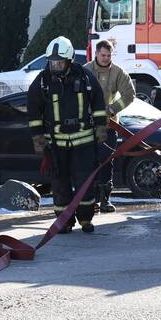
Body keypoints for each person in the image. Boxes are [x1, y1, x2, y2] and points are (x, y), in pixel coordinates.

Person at [28, 36, 107, 233]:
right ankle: (64, 221)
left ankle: (86, 219)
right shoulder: (43, 82)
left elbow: (98, 104)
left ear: (69, 60)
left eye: (59, 62)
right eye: (52, 62)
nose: (55, 65)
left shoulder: (85, 77)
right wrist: (38, 139)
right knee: (60, 185)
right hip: (56, 146)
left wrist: (100, 128)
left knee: (84, 184)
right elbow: (33, 111)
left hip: (84, 144)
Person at [84, 40, 136, 213]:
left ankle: (105, 200)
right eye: (103, 55)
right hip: (87, 126)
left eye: (109, 55)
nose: (106, 59)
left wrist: (113, 109)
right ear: (96, 54)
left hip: (109, 126)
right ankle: (90, 200)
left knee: (106, 162)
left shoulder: (118, 73)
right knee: (88, 163)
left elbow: (129, 94)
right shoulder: (86, 71)